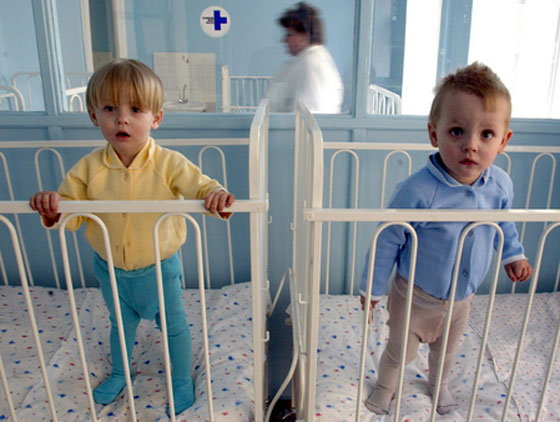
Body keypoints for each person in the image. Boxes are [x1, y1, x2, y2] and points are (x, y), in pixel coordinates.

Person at [29, 58, 234, 416]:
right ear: (94, 116)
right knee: (120, 326)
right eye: (110, 109)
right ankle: (121, 372)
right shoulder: (87, 169)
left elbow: (201, 186)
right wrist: (53, 207)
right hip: (110, 268)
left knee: (174, 326)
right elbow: (71, 213)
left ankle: (180, 380)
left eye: (135, 110)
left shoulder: (169, 163)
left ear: (156, 118)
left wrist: (216, 195)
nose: (122, 119)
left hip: (160, 268)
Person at [360, 62, 533, 415]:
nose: (471, 145)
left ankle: (438, 384)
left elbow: (504, 223)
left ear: (504, 141)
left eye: (487, 134)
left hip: (461, 299)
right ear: (434, 134)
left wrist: (513, 254)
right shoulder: (417, 190)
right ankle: (386, 386)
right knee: (400, 350)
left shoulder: (500, 185)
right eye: (457, 131)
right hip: (414, 295)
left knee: (447, 351)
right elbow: (387, 240)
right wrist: (373, 288)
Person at [266, 2, 343, 113]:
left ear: (305, 36)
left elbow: (309, 114)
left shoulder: (311, 64)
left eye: (289, 34)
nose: (285, 40)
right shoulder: (303, 61)